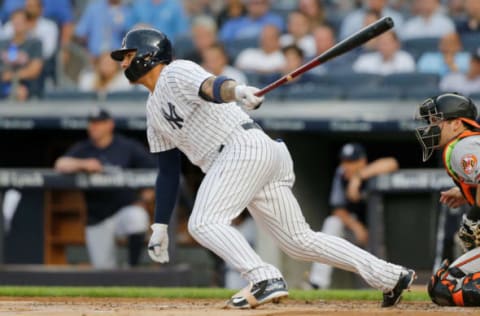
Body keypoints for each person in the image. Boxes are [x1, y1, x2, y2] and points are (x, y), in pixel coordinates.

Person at [110, 27, 415, 309]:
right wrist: (160, 226)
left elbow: (211, 86)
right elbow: (167, 170)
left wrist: (237, 91)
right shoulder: (152, 110)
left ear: (148, 55)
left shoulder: (175, 71)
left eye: (128, 55)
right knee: (298, 241)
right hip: (249, 154)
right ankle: (389, 275)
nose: (124, 63)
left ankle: (263, 277)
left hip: (240, 148)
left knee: (203, 222)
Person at [54, 108, 156, 269]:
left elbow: (154, 170)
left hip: (123, 210)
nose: (93, 127)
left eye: (98, 123)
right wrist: (84, 164)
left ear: (110, 125)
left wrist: (144, 198)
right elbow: (60, 164)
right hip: (97, 217)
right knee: (103, 270)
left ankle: (132, 267)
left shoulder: (126, 146)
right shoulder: (84, 149)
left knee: (138, 218)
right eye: (91, 123)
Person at [414, 92, 480, 306]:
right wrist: (466, 192)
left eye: (437, 121)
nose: (431, 128)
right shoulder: (471, 143)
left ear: (457, 124)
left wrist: (472, 218)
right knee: (442, 286)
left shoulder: (462, 147)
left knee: (447, 286)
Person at [308, 143, 399, 289]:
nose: (346, 166)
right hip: (357, 231)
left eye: (351, 162)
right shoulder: (341, 174)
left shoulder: (372, 171)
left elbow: (392, 163)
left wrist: (357, 177)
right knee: (332, 222)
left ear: (362, 161)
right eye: (344, 161)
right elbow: (337, 209)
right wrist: (356, 227)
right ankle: (317, 283)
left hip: (383, 230)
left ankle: (391, 283)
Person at [0, 9, 43, 100]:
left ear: (27, 23)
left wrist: (12, 77)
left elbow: (34, 70)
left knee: (20, 92)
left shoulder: (34, 44)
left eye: (21, 21)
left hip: (26, 85)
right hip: (2, 83)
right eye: (15, 21)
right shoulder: (2, 44)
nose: (17, 24)